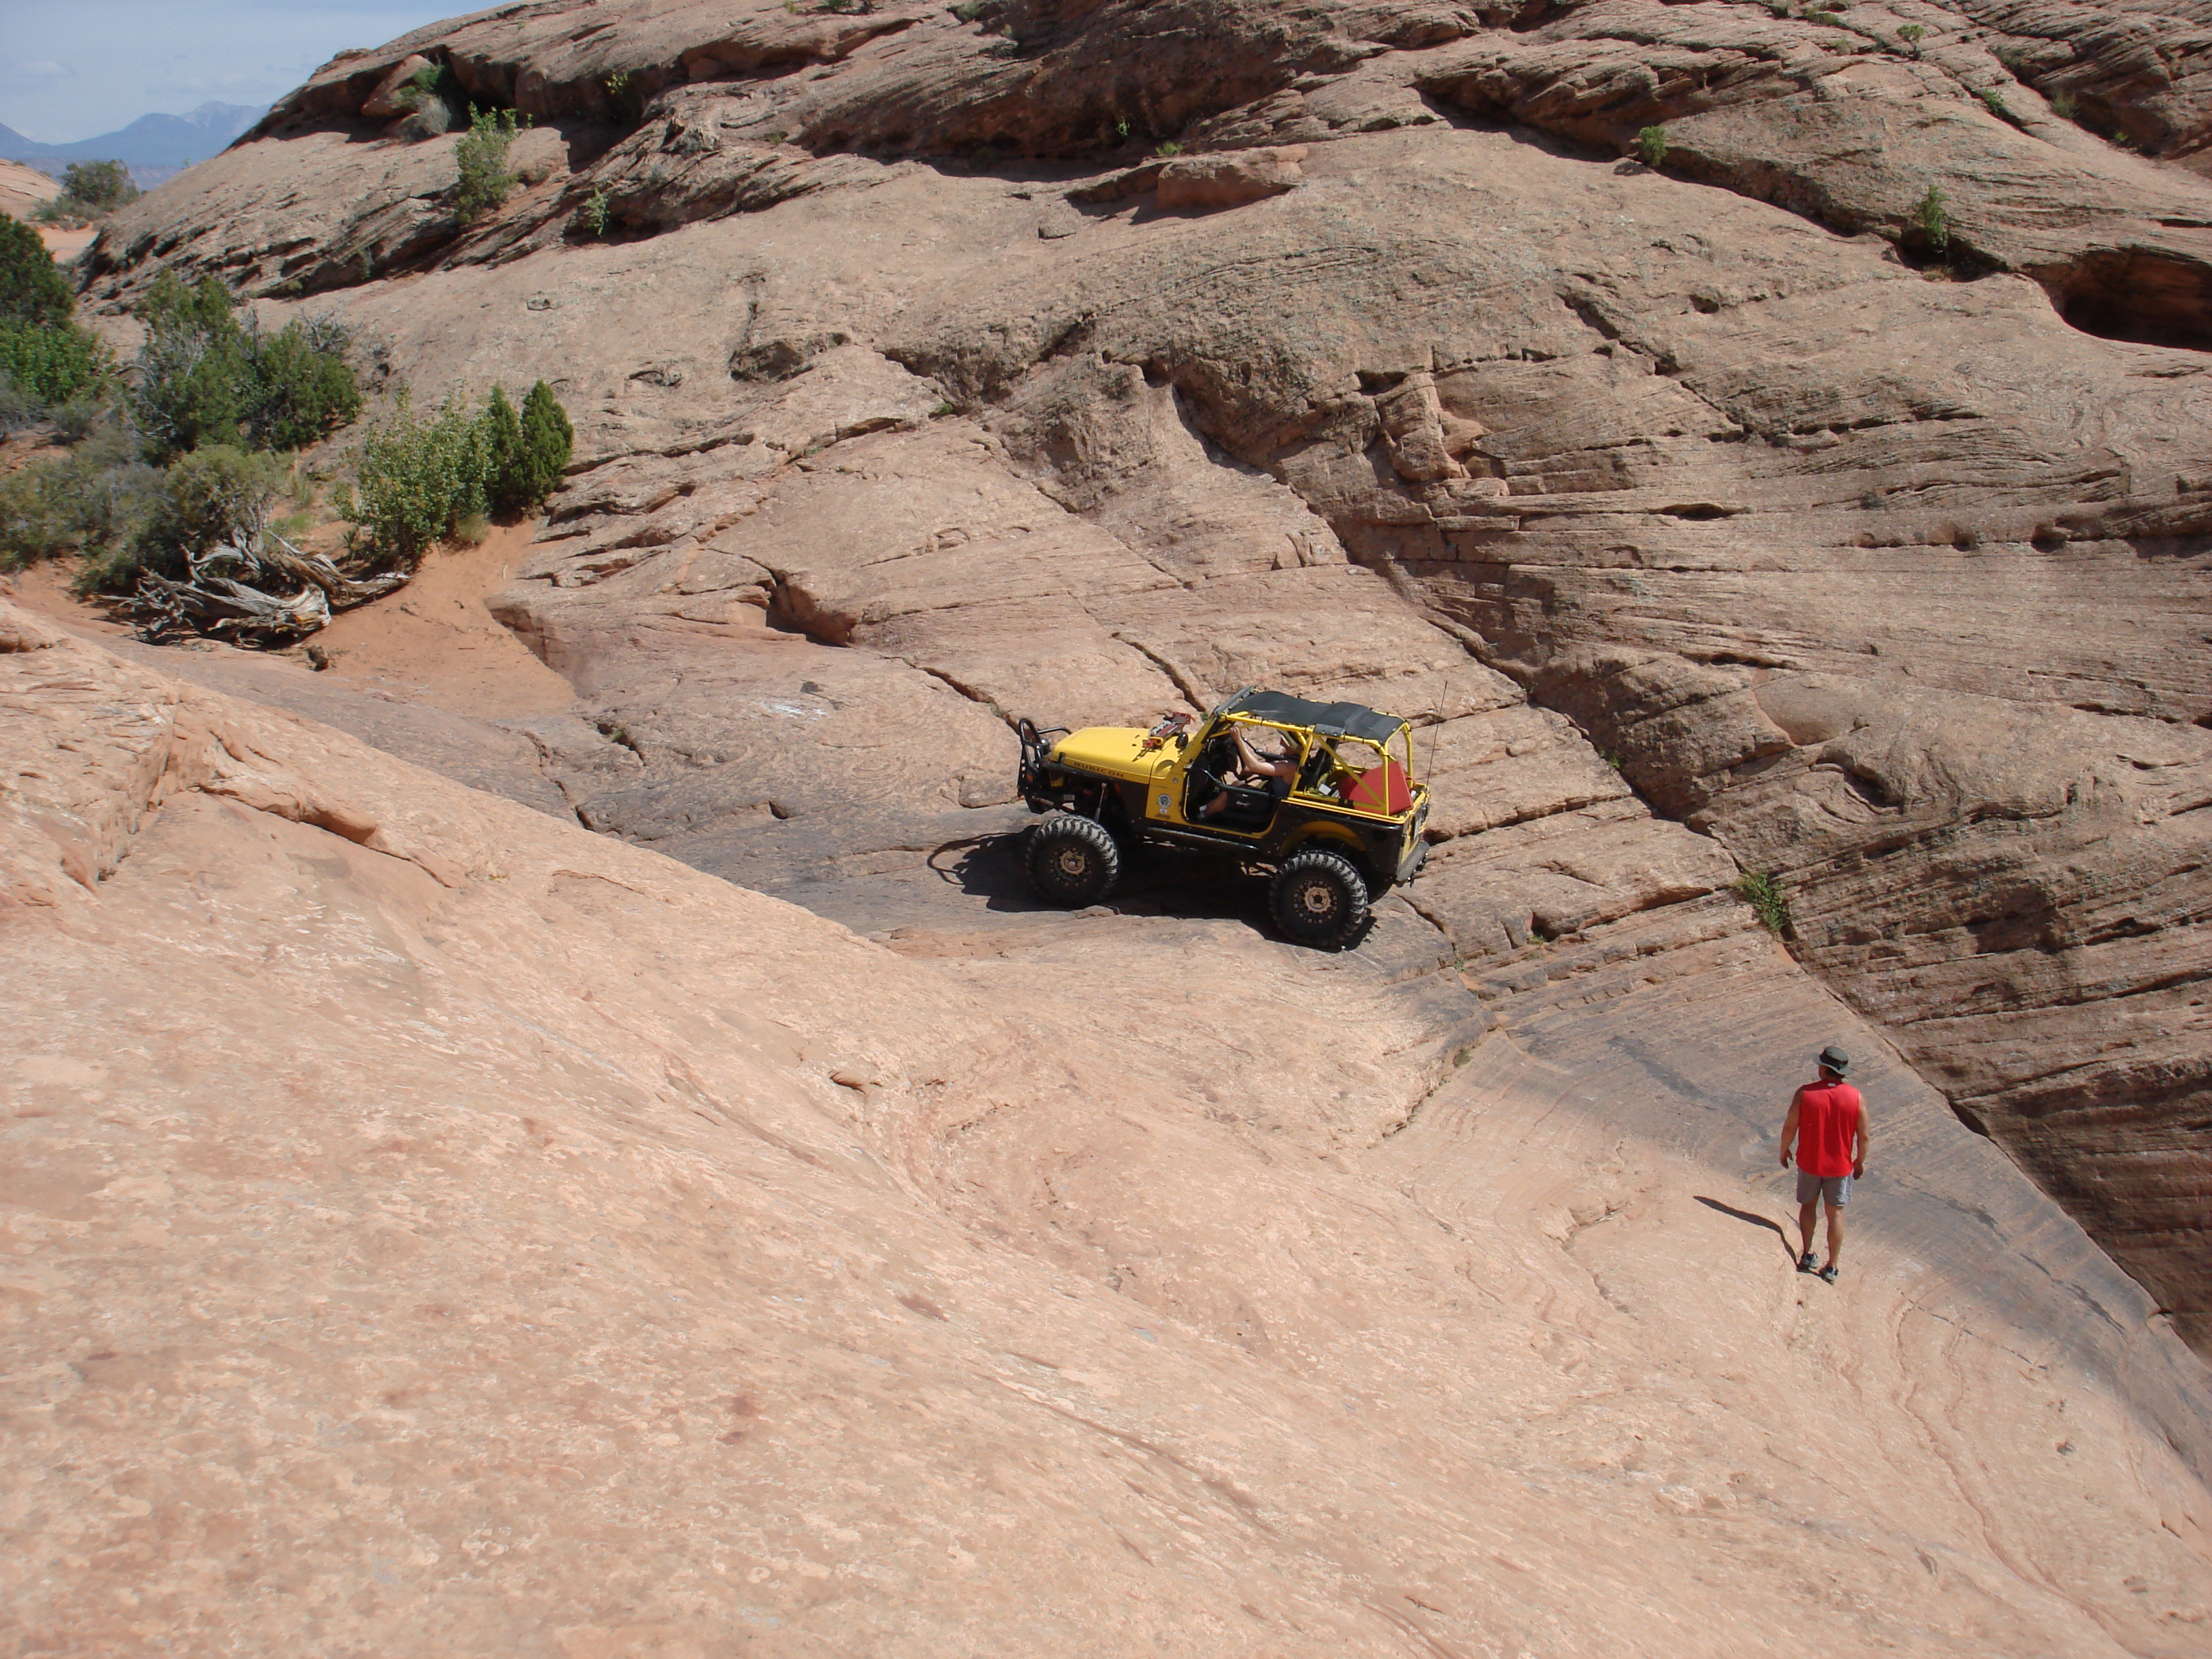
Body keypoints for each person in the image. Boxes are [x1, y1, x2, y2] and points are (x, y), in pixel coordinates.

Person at [1778, 1045, 1868, 1284]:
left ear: (1823, 1069)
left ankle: (1807, 1255)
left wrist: (1784, 1149)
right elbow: (1864, 1136)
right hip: (1840, 1167)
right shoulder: (1856, 1098)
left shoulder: (1805, 1094)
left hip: (1810, 1162)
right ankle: (1832, 1267)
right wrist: (1860, 1161)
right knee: (1835, 1213)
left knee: (1808, 1206)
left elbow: (1790, 1125)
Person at [1196, 724, 1299, 819]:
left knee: (1230, 792)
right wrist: (1251, 772)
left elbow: (1254, 766)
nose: (1281, 742)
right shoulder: (1294, 760)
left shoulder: (1289, 766)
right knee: (1237, 784)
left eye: (1284, 740)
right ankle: (1205, 808)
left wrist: (1238, 740)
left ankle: (1202, 817)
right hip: (1270, 796)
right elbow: (1263, 769)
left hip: (1270, 803)